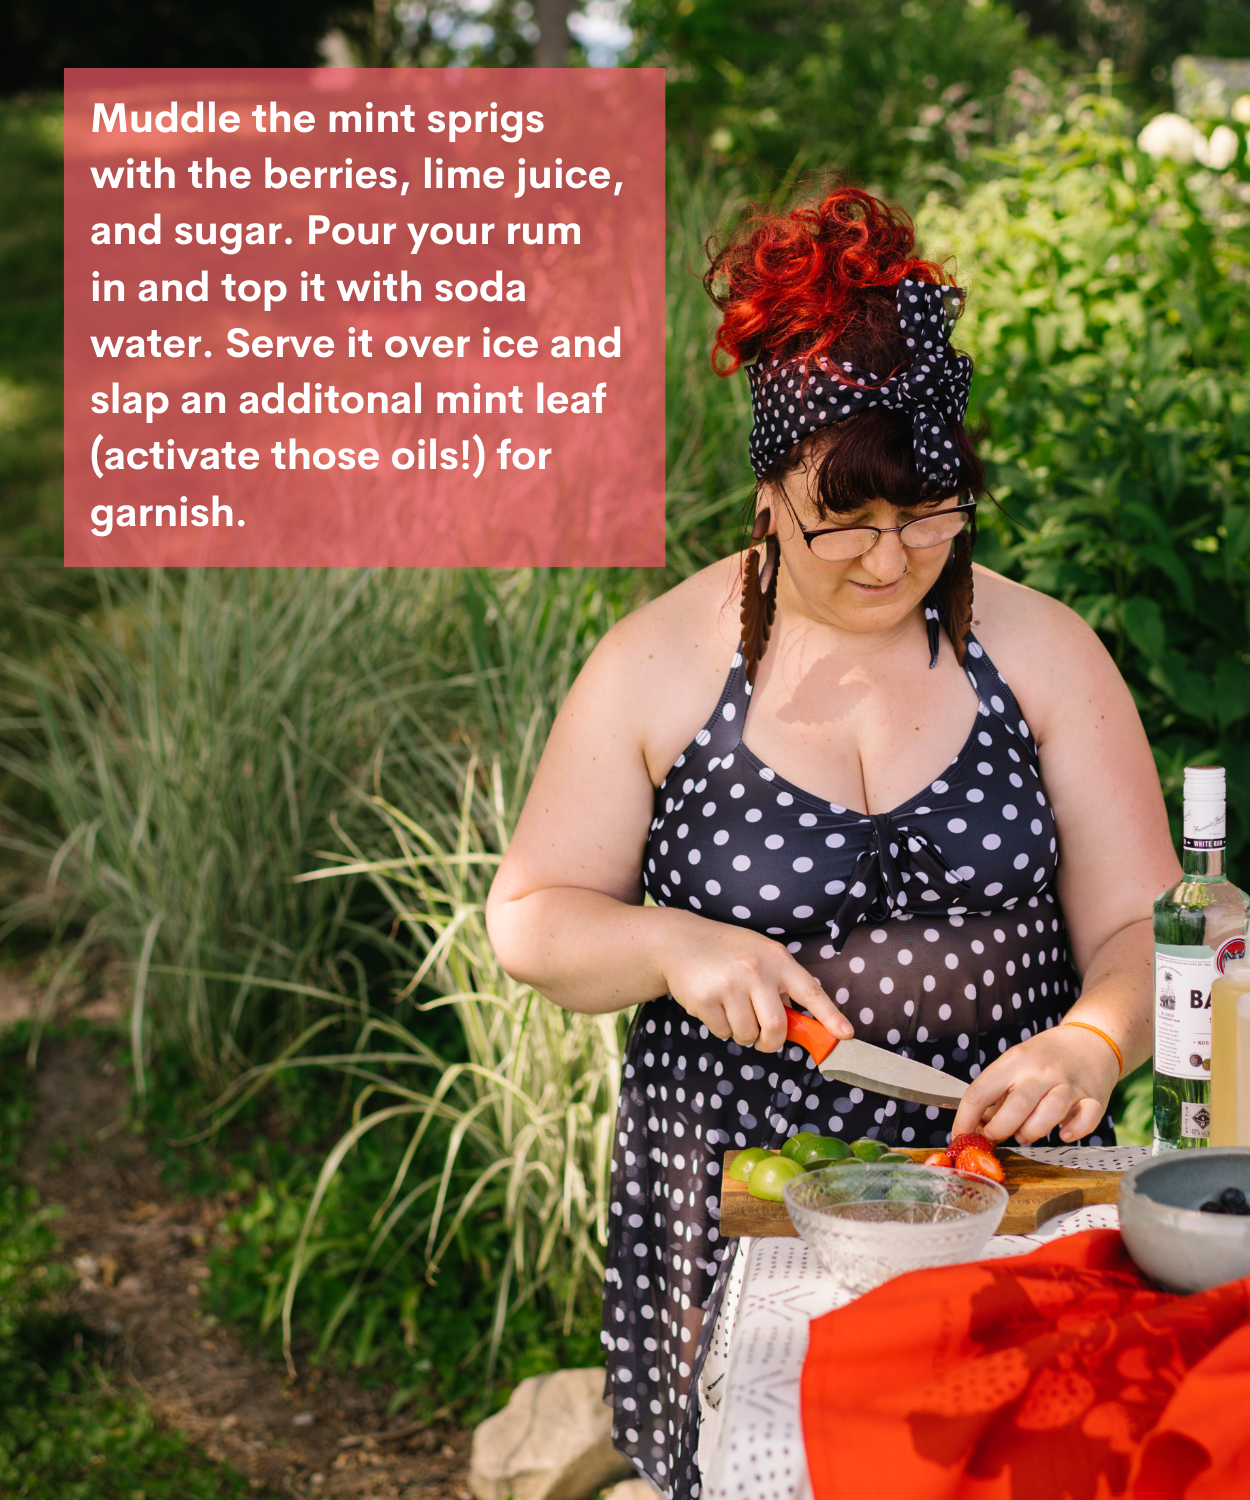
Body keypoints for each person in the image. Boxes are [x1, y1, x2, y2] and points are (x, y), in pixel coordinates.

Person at [485, 185, 1178, 1499]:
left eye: (926, 514)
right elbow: (531, 920)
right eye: (841, 521)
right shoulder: (658, 665)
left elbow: (1149, 922)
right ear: (764, 493)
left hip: (1003, 1194)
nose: (888, 559)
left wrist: (1091, 1037)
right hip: (741, 1217)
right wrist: (667, 943)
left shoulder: (1040, 654)